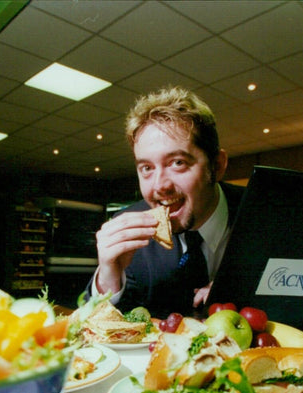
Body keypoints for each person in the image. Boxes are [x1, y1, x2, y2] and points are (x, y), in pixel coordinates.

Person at [87, 86, 245, 318]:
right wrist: (109, 276)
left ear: (217, 166)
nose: (160, 186)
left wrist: (241, 297)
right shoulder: (128, 228)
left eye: (178, 162)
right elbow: (102, 325)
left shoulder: (263, 215)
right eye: (147, 168)